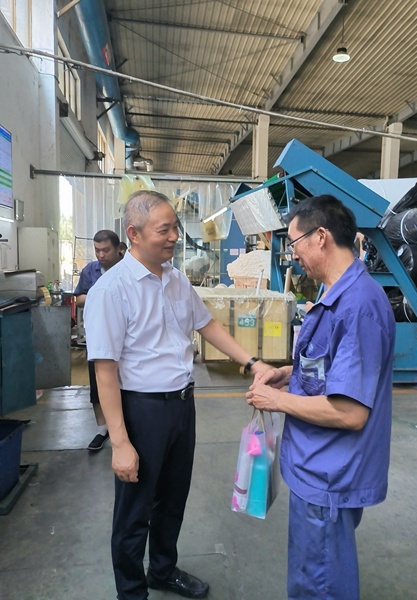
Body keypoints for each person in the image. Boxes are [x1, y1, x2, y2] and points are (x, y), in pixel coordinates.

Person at [83, 190, 271, 600]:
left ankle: (162, 570)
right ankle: (131, 592)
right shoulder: (111, 290)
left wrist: (252, 363)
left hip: (182, 405)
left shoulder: (176, 279)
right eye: (163, 230)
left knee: (171, 499)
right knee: (134, 512)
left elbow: (208, 325)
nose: (173, 237)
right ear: (133, 234)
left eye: (175, 229)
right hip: (142, 410)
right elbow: (105, 371)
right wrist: (120, 443)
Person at [247, 195, 396, 600]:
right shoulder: (338, 295)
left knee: (321, 585)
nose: (293, 255)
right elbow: (331, 370)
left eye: (295, 243)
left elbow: (349, 412)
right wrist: (287, 374)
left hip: (330, 473)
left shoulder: (358, 307)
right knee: (313, 573)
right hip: (315, 467)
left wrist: (275, 401)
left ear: (321, 237)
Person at [73, 229, 123, 452]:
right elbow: (79, 298)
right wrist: (100, 293)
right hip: (98, 335)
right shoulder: (90, 270)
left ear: (118, 249)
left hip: (125, 337)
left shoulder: (128, 269)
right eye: (97, 250)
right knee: (98, 383)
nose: (101, 255)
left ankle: (124, 428)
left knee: (125, 382)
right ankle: (103, 430)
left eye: (106, 250)